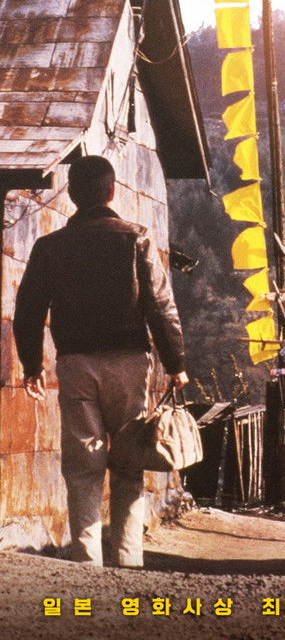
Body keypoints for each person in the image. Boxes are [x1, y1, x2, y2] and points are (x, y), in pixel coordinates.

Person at [13, 155, 189, 568]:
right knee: (129, 461)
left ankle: (87, 561)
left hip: (76, 364)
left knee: (82, 463)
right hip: (129, 363)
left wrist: (33, 365)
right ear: (112, 191)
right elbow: (160, 306)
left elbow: (28, 312)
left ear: (72, 195)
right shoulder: (136, 239)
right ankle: (128, 558)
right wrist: (175, 362)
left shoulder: (49, 246)